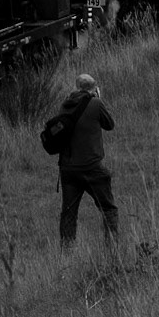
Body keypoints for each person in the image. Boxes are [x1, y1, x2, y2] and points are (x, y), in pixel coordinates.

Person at [57, 72, 118, 249]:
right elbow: (110, 124)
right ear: (93, 89)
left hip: (68, 169)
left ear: (76, 88)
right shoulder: (96, 103)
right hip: (91, 167)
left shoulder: (65, 105)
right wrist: (99, 99)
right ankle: (112, 251)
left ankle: (66, 255)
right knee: (108, 209)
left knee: (68, 214)